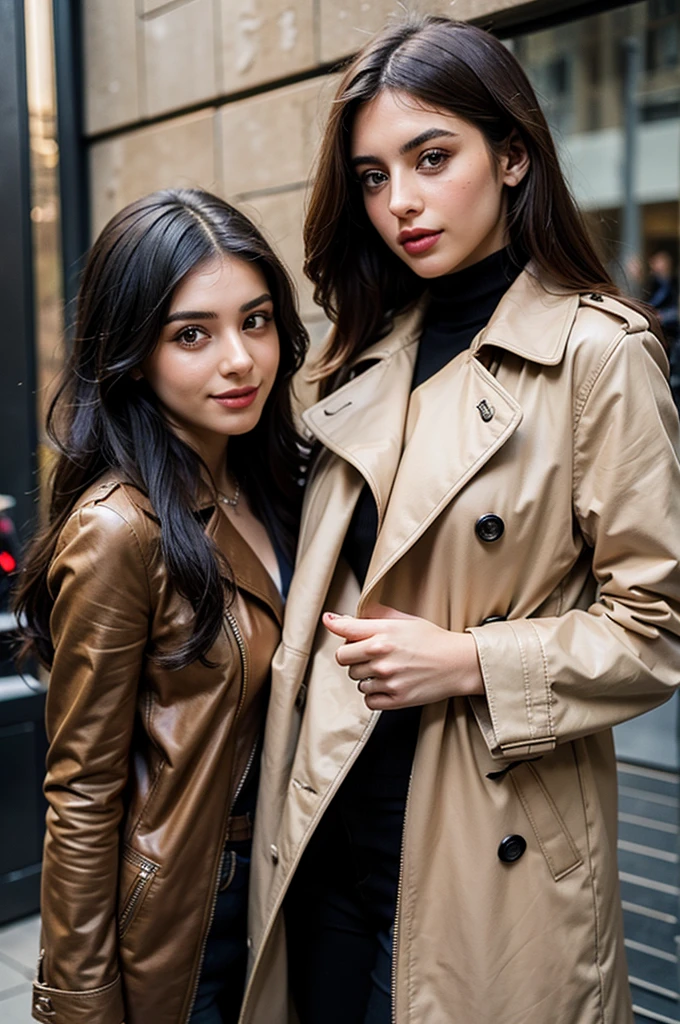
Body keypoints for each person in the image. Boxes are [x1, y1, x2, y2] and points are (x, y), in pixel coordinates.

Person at [238, 17, 680, 1024]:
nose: (400, 202)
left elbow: (654, 629)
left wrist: (468, 660)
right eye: (371, 176)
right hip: (329, 826)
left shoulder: (597, 356)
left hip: (488, 840)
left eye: (430, 158)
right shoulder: (364, 352)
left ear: (512, 153)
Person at [13, 187, 308, 1024]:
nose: (240, 360)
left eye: (256, 321)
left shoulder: (275, 481)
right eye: (193, 335)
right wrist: (77, 1001)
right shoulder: (119, 530)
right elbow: (81, 791)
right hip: (192, 911)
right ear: (134, 353)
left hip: (292, 884)